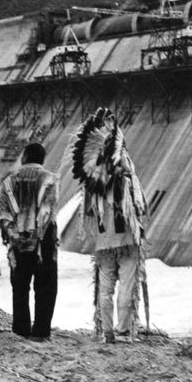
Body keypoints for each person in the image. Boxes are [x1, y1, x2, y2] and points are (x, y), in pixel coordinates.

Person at [69, 108, 148, 343]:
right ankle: (124, 332)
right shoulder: (127, 182)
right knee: (126, 286)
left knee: (105, 290)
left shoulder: (91, 186)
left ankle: (106, 332)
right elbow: (140, 208)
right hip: (127, 242)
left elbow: (88, 218)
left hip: (103, 244)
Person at [0, 142, 59, 341]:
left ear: (24, 157)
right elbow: (47, 210)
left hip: (18, 240)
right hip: (43, 241)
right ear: (42, 158)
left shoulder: (10, 180)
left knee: (20, 286)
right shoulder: (50, 178)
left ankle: (21, 329)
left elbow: (2, 209)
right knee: (46, 286)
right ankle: (40, 332)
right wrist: (37, 234)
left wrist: (13, 231)